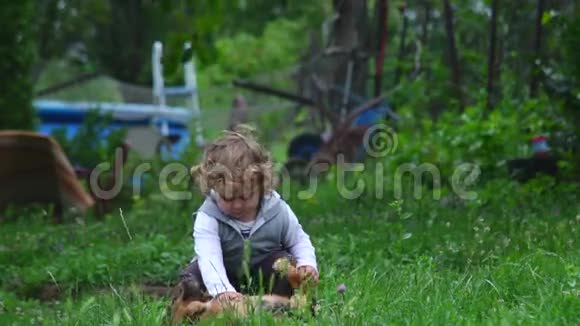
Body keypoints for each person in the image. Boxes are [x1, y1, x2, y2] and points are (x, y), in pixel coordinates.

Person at [177, 125, 318, 305]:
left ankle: (280, 306)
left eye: (245, 197)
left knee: (285, 266)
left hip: (264, 271)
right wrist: (222, 291)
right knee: (191, 278)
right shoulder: (209, 216)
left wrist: (307, 263)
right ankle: (193, 310)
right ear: (213, 187)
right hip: (222, 273)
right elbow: (209, 258)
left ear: (262, 185)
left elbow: (298, 239)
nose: (236, 205)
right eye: (227, 197)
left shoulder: (276, 209)